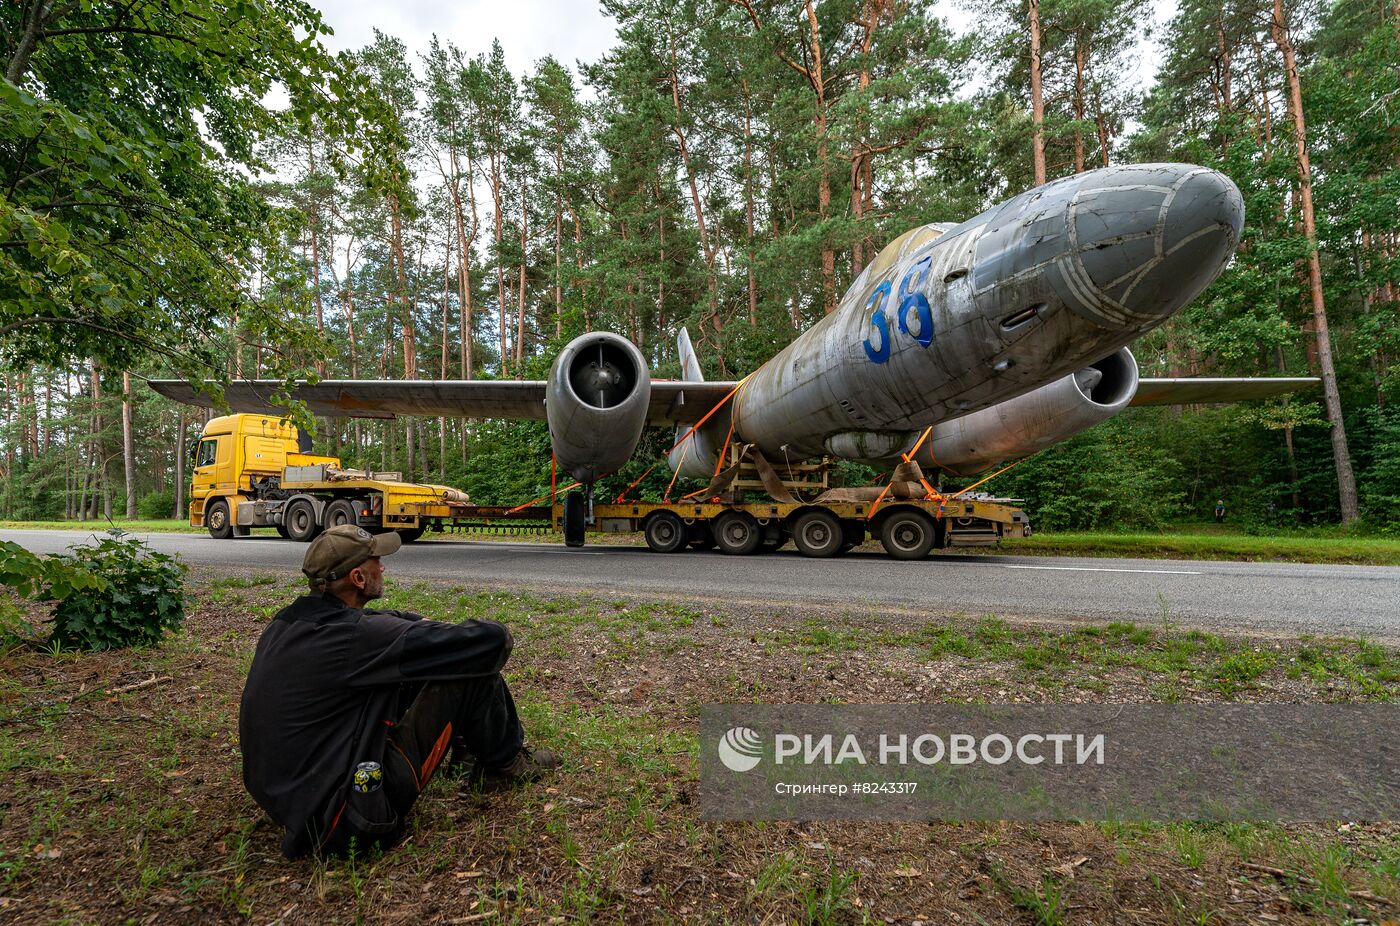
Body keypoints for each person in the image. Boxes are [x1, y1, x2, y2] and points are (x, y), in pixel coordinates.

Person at [240, 524, 558, 858]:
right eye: (377, 560)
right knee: (467, 666)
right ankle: (505, 766)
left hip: (293, 802)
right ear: (359, 579)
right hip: (352, 819)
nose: (384, 566)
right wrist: (431, 633)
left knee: (415, 664)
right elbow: (492, 640)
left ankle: (465, 754)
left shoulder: (287, 623)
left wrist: (411, 625)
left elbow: (376, 624)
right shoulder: (357, 639)